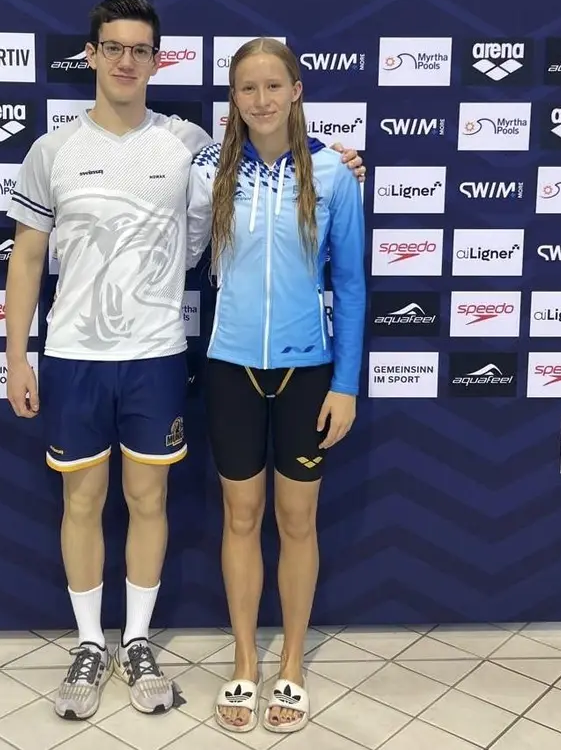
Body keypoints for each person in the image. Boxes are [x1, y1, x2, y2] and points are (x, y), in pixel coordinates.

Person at [1, 0, 365, 722]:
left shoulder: (191, 147)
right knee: (84, 500)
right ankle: (87, 645)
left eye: (141, 48)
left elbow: (329, 252)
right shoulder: (53, 150)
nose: (127, 60)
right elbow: (27, 255)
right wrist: (17, 356)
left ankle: (139, 641)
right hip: (77, 354)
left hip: (163, 353)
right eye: (114, 47)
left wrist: (337, 161)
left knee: (151, 500)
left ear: (158, 59)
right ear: (93, 55)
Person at [190, 38, 366, 734]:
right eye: (245, 89)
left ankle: (290, 661)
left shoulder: (333, 174)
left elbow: (350, 286)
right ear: (232, 99)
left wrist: (346, 384)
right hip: (230, 369)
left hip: (307, 372)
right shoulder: (208, 171)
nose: (260, 100)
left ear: (296, 90)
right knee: (240, 518)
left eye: (272, 86)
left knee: (297, 522)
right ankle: (243, 661)